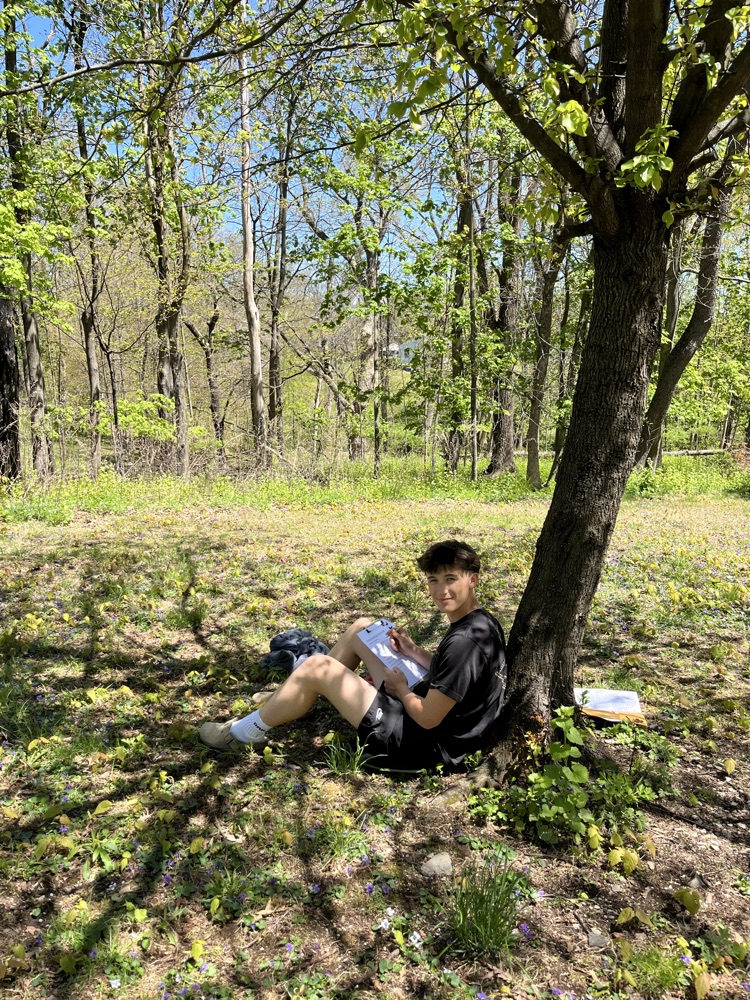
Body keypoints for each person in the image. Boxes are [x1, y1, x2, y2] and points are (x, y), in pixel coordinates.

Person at [199, 540, 507, 771]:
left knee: (319, 666)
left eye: (450, 579)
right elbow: (451, 674)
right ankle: (293, 693)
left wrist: (400, 689)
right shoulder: (483, 623)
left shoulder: (465, 641)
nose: (441, 591)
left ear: (472, 579)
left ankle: (242, 733)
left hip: (414, 745)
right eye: (433, 581)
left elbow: (428, 718)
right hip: (430, 718)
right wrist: (412, 651)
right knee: (363, 629)